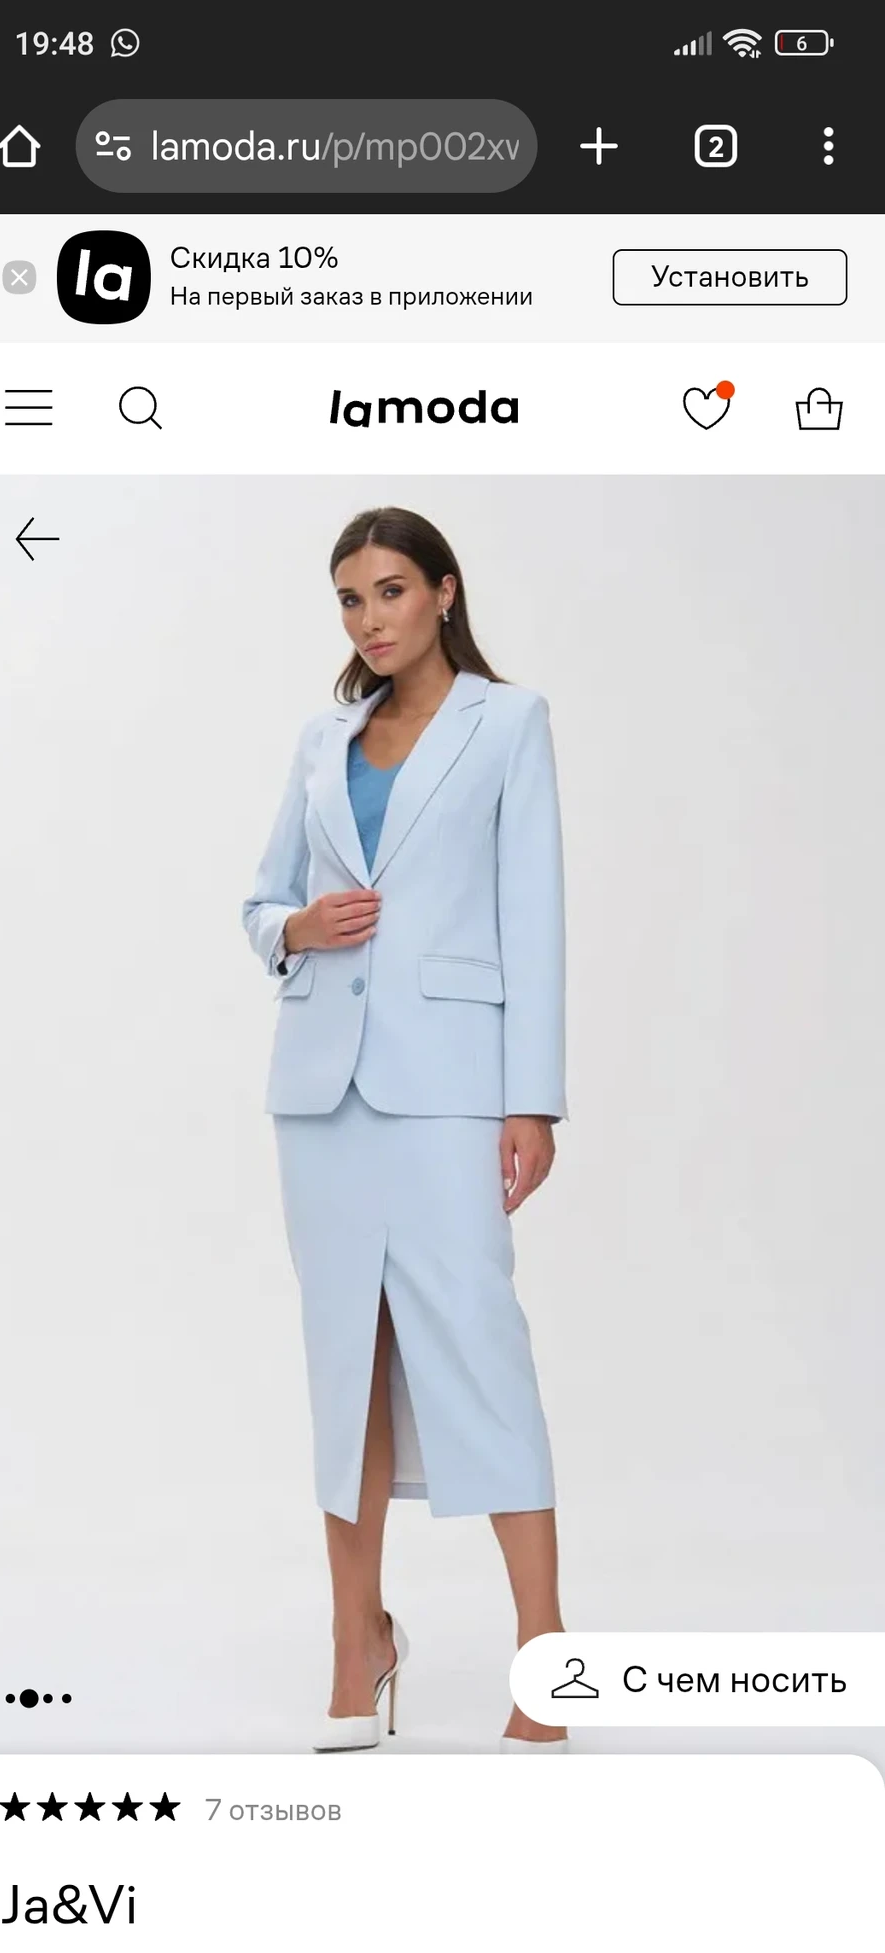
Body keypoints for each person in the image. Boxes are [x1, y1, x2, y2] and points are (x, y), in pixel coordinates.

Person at [242, 507, 569, 1752]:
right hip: (320, 1094)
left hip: (449, 1085)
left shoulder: (509, 722)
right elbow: (263, 899)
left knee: (480, 1345)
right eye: (348, 597)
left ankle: (547, 1656)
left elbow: (533, 912)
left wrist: (530, 1097)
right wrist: (296, 928)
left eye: (389, 590)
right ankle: (356, 1641)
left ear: (443, 590)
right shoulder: (322, 740)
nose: (369, 618)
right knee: (345, 1364)